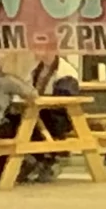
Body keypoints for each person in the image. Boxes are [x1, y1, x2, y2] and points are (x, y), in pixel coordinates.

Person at [22, 52, 83, 182]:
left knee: (27, 122)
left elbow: (64, 101)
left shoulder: (65, 72)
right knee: (15, 118)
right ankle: (34, 160)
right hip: (40, 113)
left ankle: (42, 160)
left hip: (58, 118)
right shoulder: (37, 69)